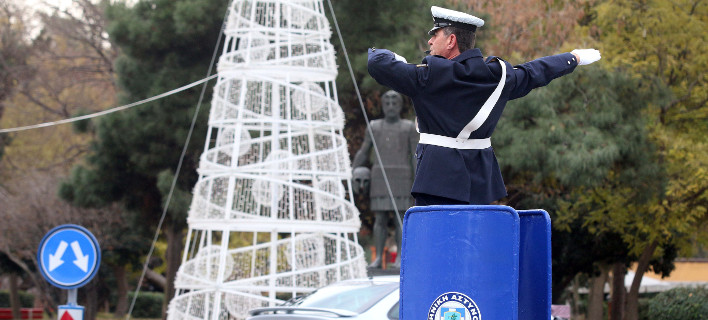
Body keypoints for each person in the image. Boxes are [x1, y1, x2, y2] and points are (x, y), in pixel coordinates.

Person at [367, 6, 601, 206]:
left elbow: (377, 62)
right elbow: (534, 72)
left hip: (436, 179)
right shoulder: (497, 77)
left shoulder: (426, 77)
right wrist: (573, 58)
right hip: (480, 180)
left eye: (435, 34)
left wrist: (396, 59)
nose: (429, 41)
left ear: (451, 40)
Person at [352, 90, 418, 268]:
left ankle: (400, 259)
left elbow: (415, 155)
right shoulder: (374, 126)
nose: (390, 107)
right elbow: (363, 152)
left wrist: (419, 180)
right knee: (379, 219)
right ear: (382, 105)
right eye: (387, 103)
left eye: (394, 103)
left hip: (402, 177)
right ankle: (378, 258)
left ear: (400, 106)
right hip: (380, 176)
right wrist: (352, 171)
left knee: (400, 219)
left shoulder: (408, 127)